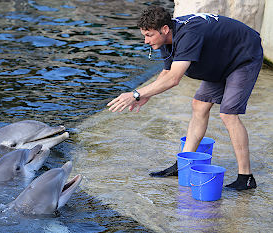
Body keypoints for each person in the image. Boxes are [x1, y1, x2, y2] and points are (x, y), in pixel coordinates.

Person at [107, 5, 263, 191]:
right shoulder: (166, 41)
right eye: (144, 35)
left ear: (165, 29)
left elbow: (174, 79)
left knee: (228, 114)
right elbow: (167, 72)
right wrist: (145, 94)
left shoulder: (188, 34)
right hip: (222, 59)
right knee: (199, 105)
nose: (145, 41)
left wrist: (135, 94)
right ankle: (183, 166)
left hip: (243, 56)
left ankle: (246, 177)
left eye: (149, 35)